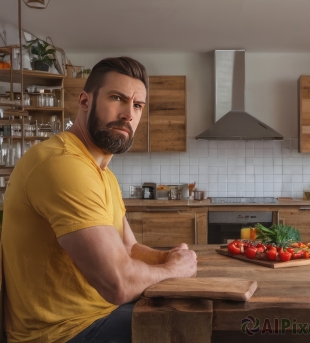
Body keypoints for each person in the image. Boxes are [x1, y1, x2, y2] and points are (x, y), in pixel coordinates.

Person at [1, 57, 198, 343]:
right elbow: (118, 283)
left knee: (194, 313)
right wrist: (172, 270)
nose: (129, 114)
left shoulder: (103, 175)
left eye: (137, 105)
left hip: (99, 315)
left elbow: (128, 248)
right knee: (192, 329)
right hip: (62, 334)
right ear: (85, 101)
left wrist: (169, 258)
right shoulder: (62, 164)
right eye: (117, 98)